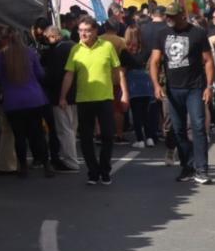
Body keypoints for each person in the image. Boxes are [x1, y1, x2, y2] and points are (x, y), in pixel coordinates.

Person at [150, 7, 215, 186]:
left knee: (198, 127)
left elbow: (209, 60)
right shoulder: (162, 34)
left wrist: (209, 86)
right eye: (167, 16)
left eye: (173, 16)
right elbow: (155, 61)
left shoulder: (198, 33)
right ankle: (187, 166)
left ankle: (202, 170)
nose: (169, 19)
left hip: (195, 88)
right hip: (173, 89)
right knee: (178, 130)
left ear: (183, 15)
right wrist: (156, 85)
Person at [60, 17, 129, 185]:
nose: (83, 33)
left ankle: (105, 170)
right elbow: (69, 74)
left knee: (107, 135)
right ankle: (93, 171)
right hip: (84, 99)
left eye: (87, 30)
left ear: (95, 31)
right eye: (81, 30)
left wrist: (124, 93)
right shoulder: (75, 49)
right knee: (86, 138)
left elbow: (118, 71)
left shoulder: (107, 47)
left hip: (105, 98)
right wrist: (62, 96)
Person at [0, 25, 51, 176]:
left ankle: (22, 166)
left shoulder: (1, 56)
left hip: (13, 101)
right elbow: (40, 74)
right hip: (34, 98)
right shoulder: (30, 53)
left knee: (19, 136)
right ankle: (46, 165)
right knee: (37, 133)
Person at [37, 24, 81, 172]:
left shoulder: (58, 51)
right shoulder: (74, 46)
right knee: (72, 128)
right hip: (78, 93)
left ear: (54, 36)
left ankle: (70, 161)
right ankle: (71, 157)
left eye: (48, 38)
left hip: (61, 95)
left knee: (64, 130)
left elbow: (54, 76)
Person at [120, 25, 159, 148]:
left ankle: (140, 139)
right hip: (146, 81)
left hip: (133, 83)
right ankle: (149, 138)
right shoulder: (147, 50)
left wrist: (123, 89)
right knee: (146, 112)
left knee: (136, 113)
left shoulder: (125, 52)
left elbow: (122, 71)